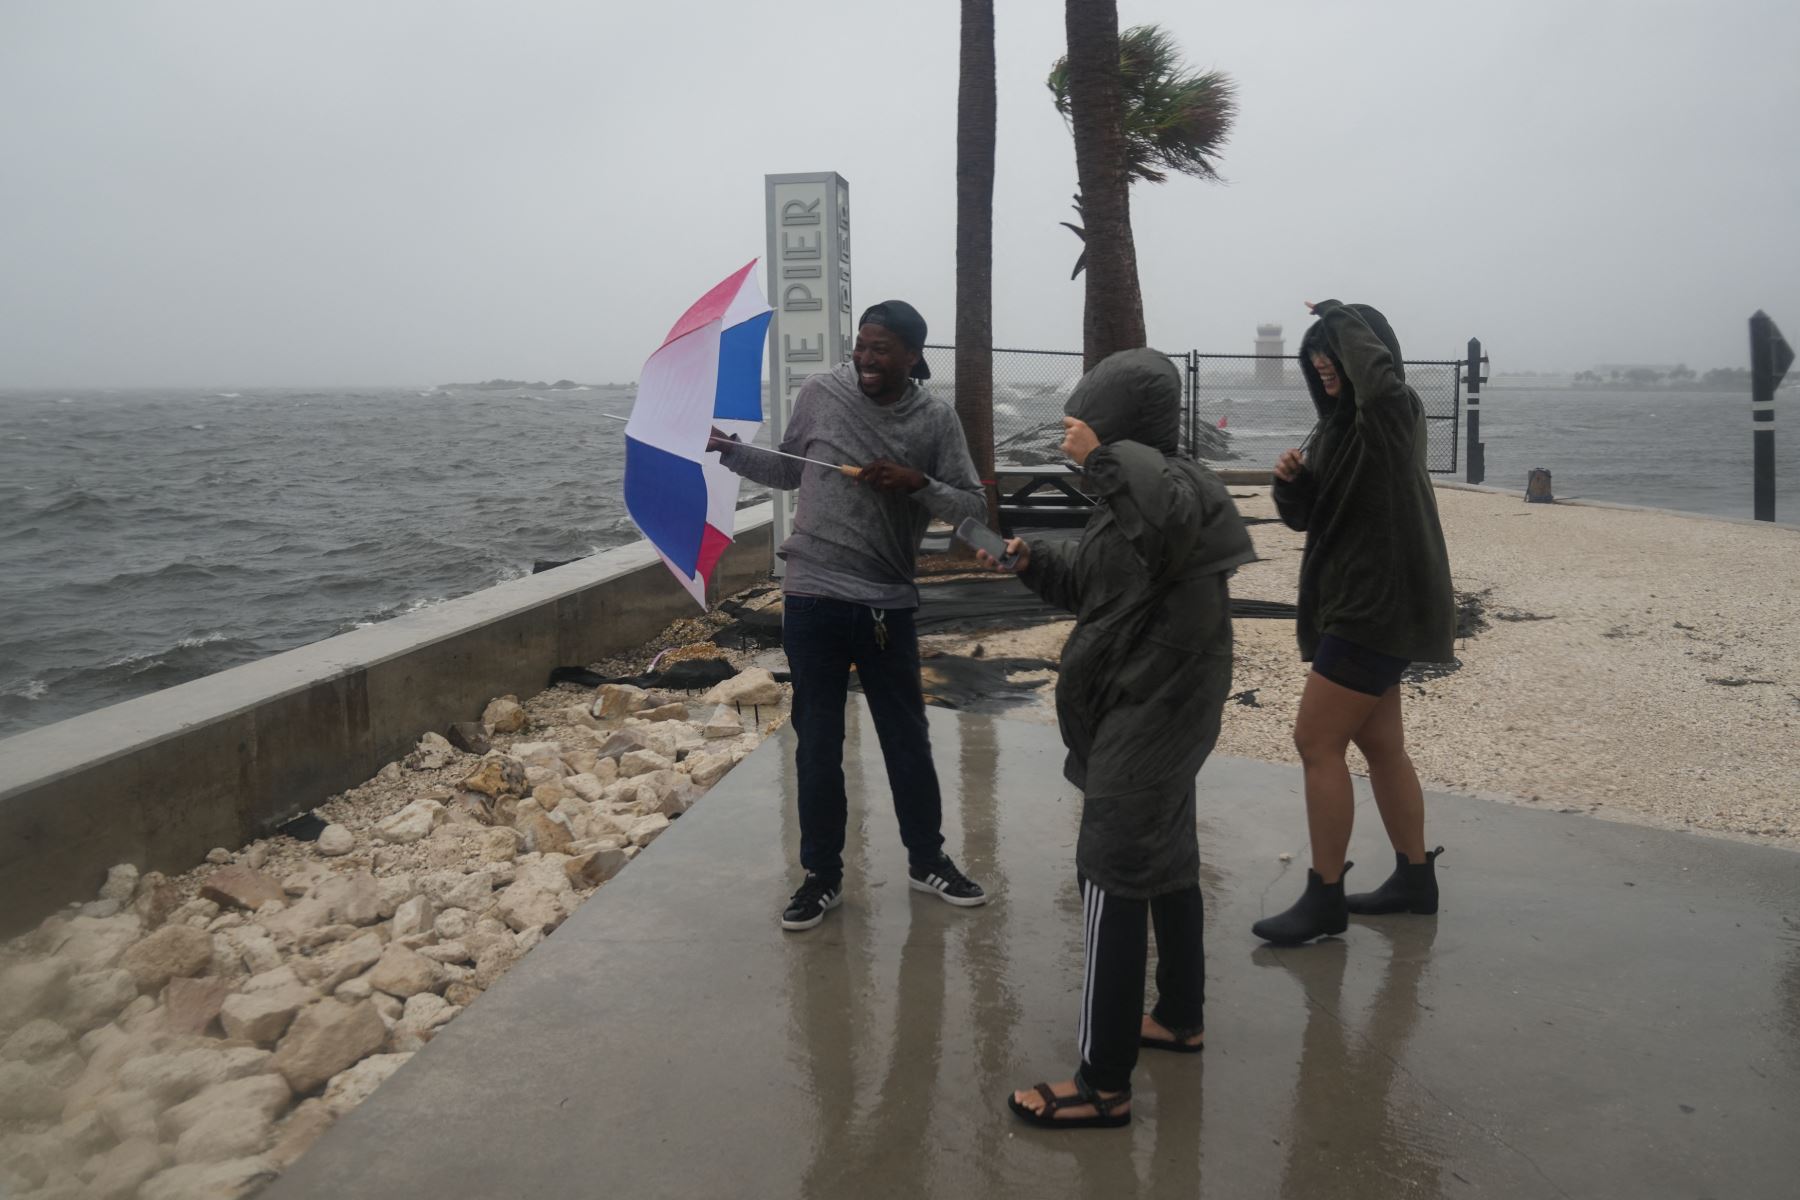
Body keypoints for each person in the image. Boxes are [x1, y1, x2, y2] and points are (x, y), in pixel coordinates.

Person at [977, 348, 1254, 1129]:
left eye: (1083, 420)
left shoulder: (1172, 488)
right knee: (1165, 861)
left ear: (1120, 425)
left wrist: (1098, 456)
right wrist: (1031, 561)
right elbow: (1098, 583)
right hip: (1148, 699)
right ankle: (1180, 1016)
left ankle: (1102, 1084)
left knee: (1112, 869)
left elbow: (1158, 522)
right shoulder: (1137, 497)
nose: (1070, 434)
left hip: (1156, 704)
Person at [709, 300, 989, 931]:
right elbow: (786, 467)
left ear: (914, 356)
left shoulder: (936, 419)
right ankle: (821, 876)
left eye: (881, 348)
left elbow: (973, 509)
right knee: (818, 743)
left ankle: (927, 859)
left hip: (888, 600)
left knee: (906, 739)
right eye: (861, 345)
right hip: (811, 595)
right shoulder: (821, 392)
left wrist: (918, 483)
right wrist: (728, 450)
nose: (865, 358)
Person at [1251, 300, 1456, 946]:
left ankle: (1325, 897)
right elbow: (1314, 518)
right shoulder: (1337, 429)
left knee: (1315, 742)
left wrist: (1339, 314)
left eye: (1331, 351)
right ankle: (1415, 880)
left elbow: (1382, 382)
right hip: (1361, 605)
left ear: (1363, 352)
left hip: (1374, 607)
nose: (1321, 362)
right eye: (1313, 356)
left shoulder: (1390, 417)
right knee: (1380, 745)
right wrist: (1291, 485)